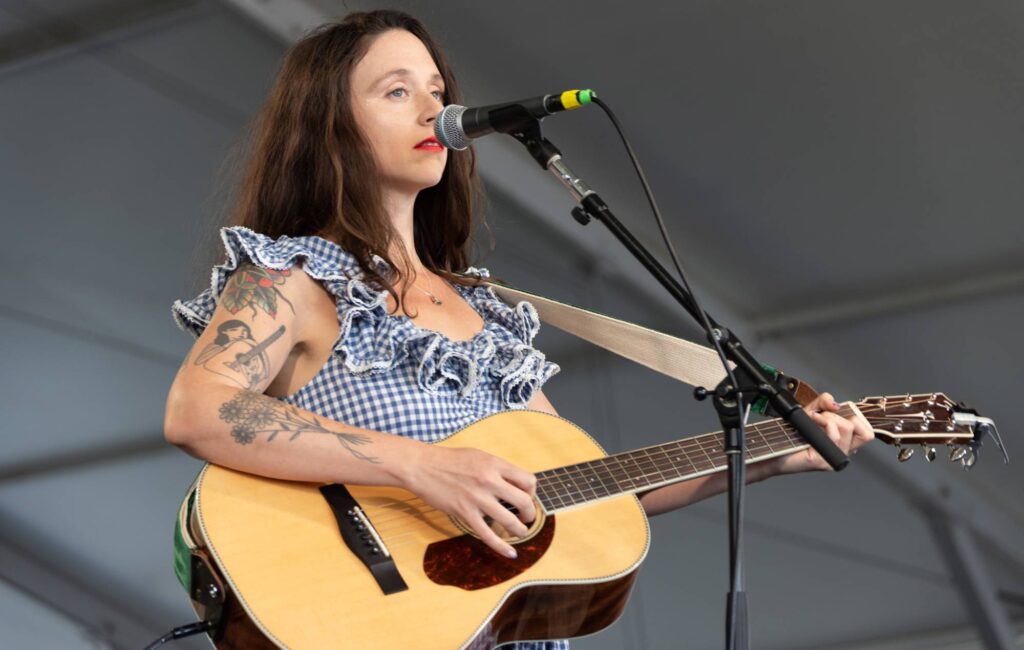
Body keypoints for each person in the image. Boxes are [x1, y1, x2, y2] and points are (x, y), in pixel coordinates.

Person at [164, 10, 874, 650]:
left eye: (437, 91)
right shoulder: (295, 277)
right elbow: (199, 410)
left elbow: (576, 493)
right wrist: (420, 465)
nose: (434, 110)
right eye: (396, 91)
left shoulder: (489, 315)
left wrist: (768, 457)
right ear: (330, 124)